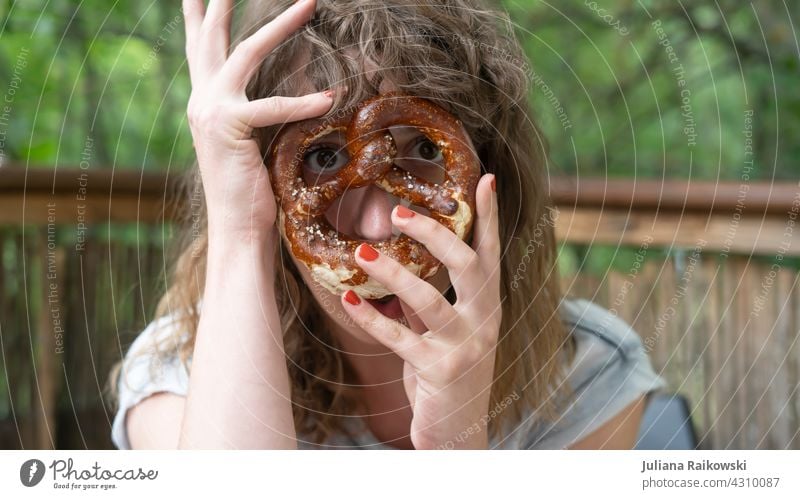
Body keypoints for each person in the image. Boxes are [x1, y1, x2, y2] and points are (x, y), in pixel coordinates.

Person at [108, 0, 666, 450]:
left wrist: (455, 452)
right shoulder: (181, 374)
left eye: (425, 147)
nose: (379, 228)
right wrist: (239, 230)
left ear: (493, 172)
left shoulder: (589, 375)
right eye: (323, 157)